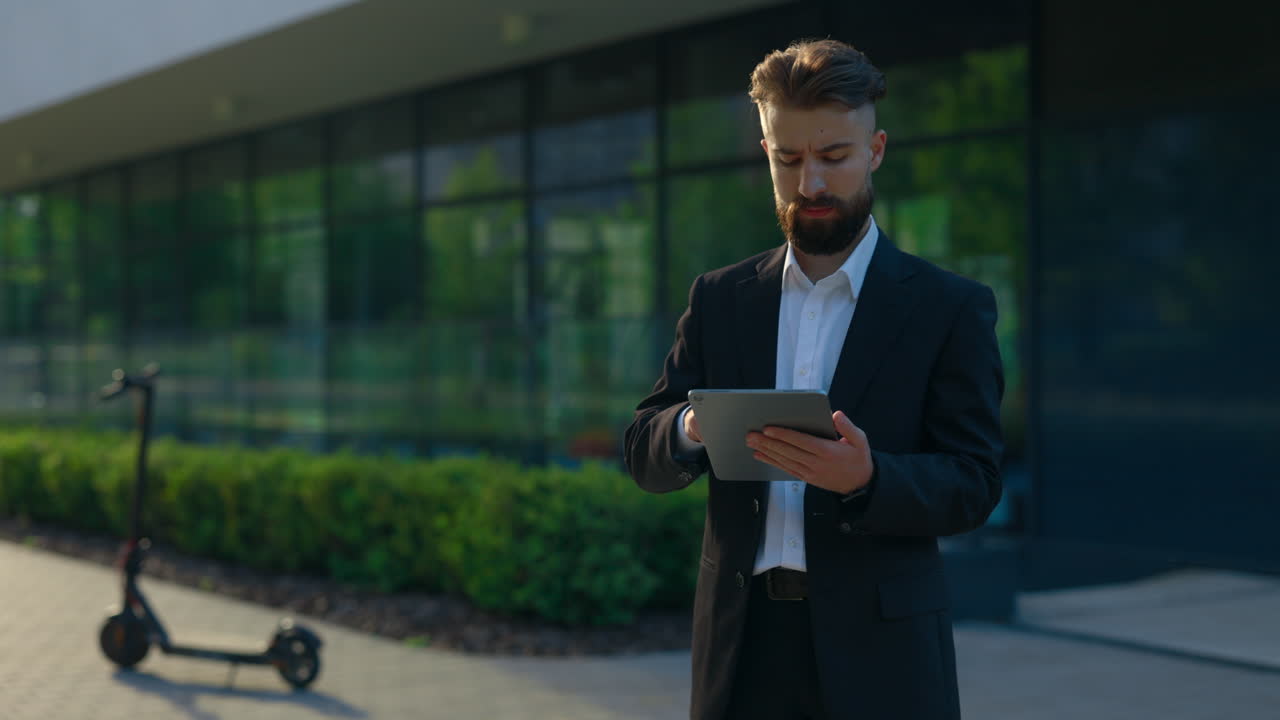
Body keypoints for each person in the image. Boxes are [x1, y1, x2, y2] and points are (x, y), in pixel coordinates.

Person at [623, 39, 1004, 720]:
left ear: (876, 149)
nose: (811, 185)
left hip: (885, 661)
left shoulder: (950, 308)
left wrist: (869, 478)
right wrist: (689, 426)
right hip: (742, 652)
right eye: (787, 159)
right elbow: (642, 452)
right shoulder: (720, 297)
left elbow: (973, 483)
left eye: (833, 157)